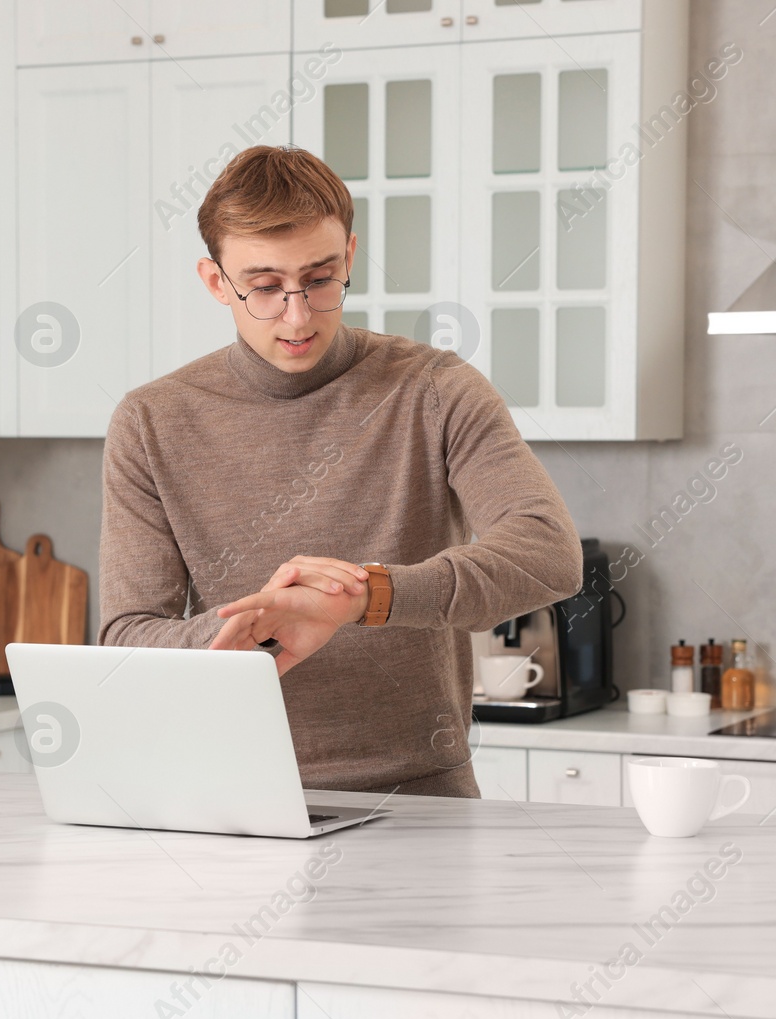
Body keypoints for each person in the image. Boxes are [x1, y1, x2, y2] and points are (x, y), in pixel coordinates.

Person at [98, 145, 582, 798]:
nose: (297, 316)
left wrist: (365, 597)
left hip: (423, 795)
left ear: (350, 257)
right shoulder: (151, 421)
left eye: (320, 279)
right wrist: (262, 622)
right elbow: (128, 636)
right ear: (217, 282)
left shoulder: (435, 389)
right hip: (229, 793)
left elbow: (548, 551)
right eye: (265, 287)